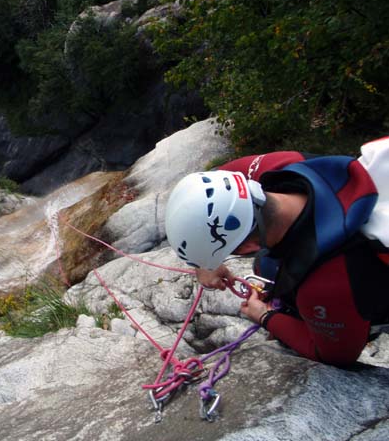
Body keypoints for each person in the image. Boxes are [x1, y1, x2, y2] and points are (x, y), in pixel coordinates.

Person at [164, 138, 389, 365]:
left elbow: (335, 355)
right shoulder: (282, 165)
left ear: (247, 247)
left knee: (268, 268)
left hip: (357, 276)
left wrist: (265, 315)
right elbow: (216, 182)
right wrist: (204, 263)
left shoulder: (324, 284)